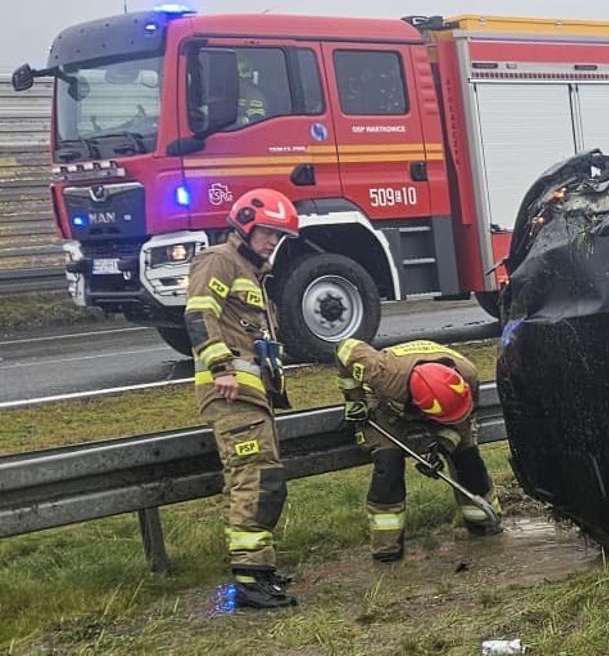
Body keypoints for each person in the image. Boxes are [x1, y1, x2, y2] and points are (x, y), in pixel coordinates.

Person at [183, 188, 301, 610]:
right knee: (254, 480)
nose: (273, 241)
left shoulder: (253, 274)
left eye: (279, 235)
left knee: (264, 481)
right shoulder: (220, 261)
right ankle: (250, 580)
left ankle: (260, 571)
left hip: (253, 398)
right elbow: (199, 314)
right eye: (268, 232)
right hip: (231, 393)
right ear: (245, 225)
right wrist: (222, 368)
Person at [334, 338, 502, 561]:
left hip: (444, 404)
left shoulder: (467, 375)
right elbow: (344, 347)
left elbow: (462, 421)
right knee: (388, 467)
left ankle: (484, 524)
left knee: (468, 458)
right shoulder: (381, 371)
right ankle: (387, 549)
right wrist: (354, 400)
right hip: (387, 406)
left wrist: (443, 444)